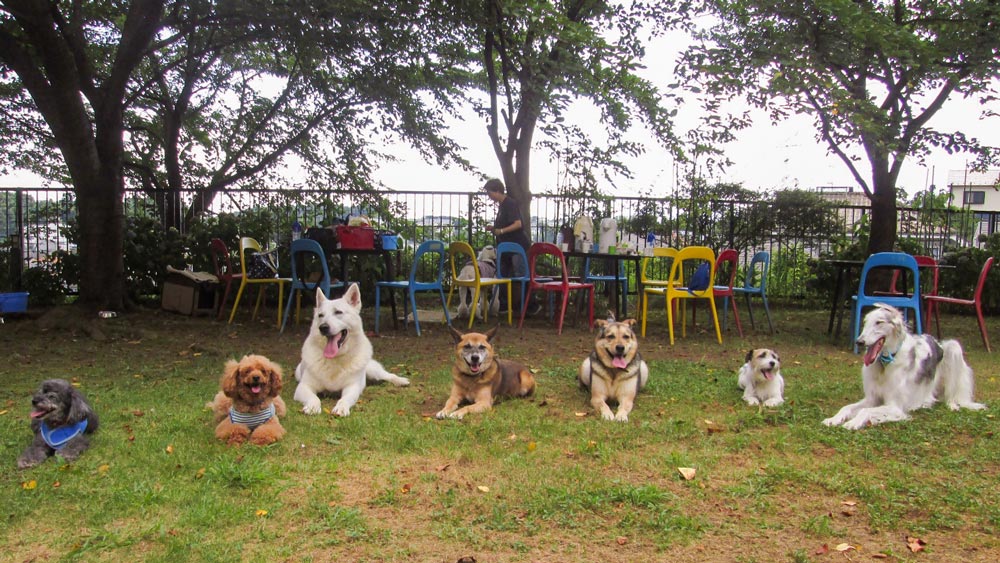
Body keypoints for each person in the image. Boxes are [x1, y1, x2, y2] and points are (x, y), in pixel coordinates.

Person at [484, 178, 539, 315]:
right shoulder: (502, 206)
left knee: (521, 275)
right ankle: (503, 304)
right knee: (503, 274)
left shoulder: (510, 204)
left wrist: (501, 231)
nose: (489, 196)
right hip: (506, 247)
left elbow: (517, 224)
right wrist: (494, 228)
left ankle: (530, 305)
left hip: (517, 246)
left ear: (497, 191)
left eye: (489, 192)